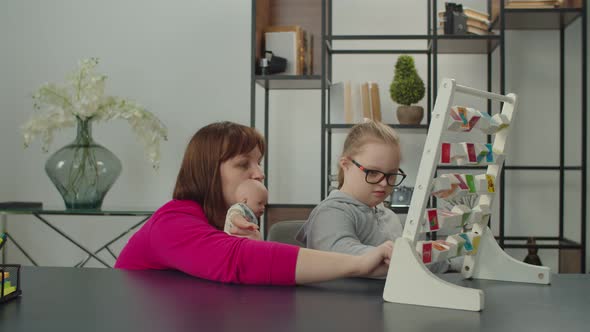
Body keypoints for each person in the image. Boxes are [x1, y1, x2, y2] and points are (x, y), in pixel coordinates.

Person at [115, 121, 393, 285]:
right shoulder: (172, 223)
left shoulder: (219, 221)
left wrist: (251, 243)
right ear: (208, 171)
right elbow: (238, 261)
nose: (259, 173)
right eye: (242, 164)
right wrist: (359, 263)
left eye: (258, 162)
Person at [296, 120, 459, 273]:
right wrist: (405, 255)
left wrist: (444, 256)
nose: (383, 183)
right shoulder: (330, 213)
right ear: (345, 165)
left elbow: (405, 267)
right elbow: (341, 256)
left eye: (391, 174)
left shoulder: (388, 215)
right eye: (373, 172)